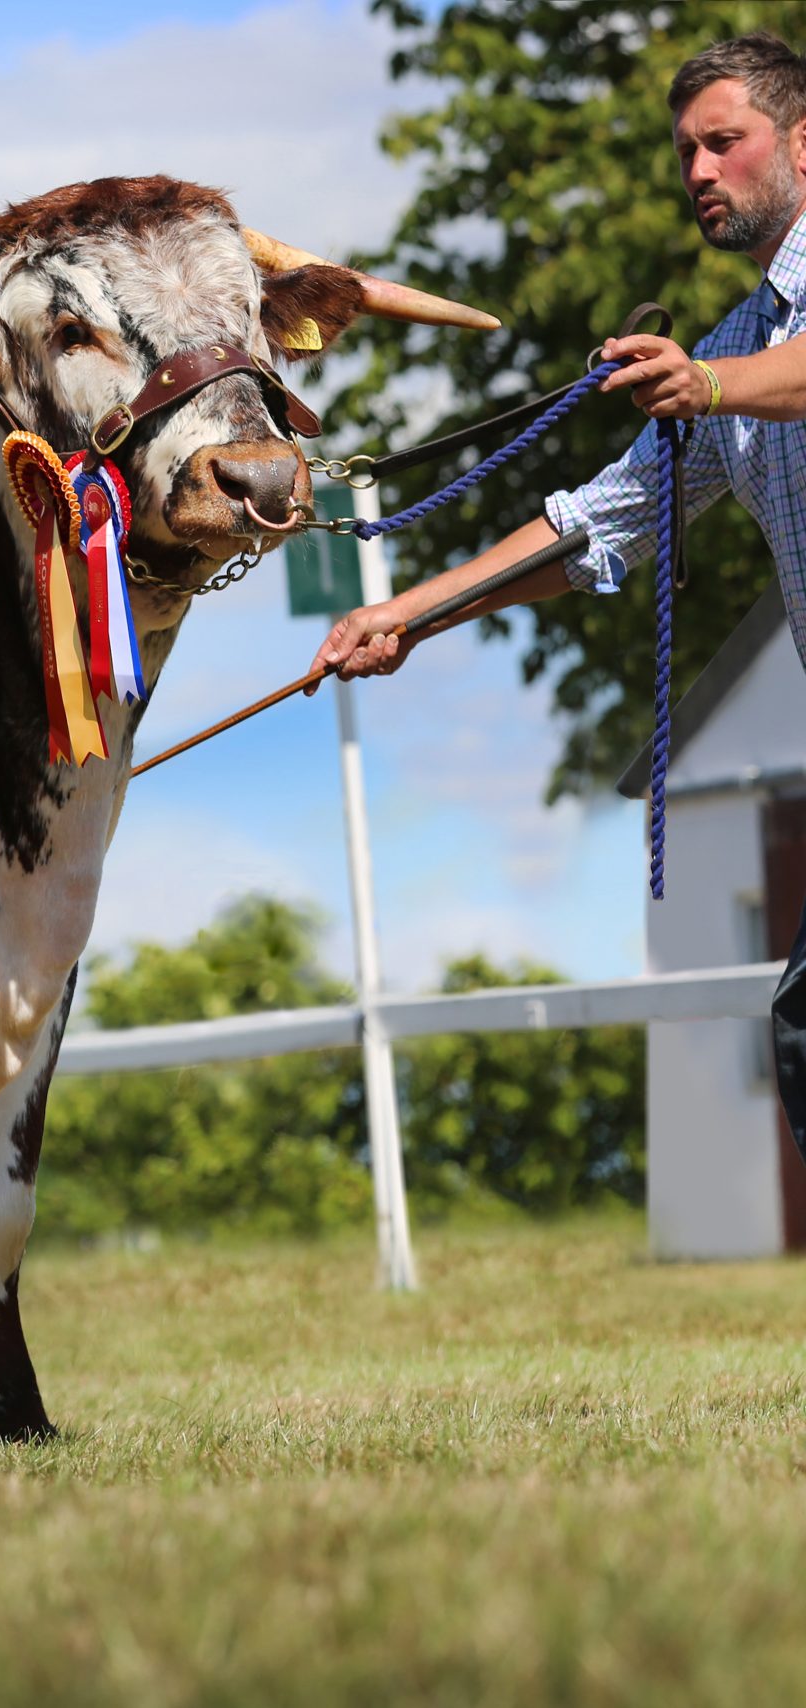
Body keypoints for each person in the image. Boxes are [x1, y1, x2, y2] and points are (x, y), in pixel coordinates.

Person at [312, 32, 806, 1160]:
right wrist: (413, 615)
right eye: (683, 150)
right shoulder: (729, 348)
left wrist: (707, 382)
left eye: (723, 142)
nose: (695, 172)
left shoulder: (723, 366)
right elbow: (597, 522)